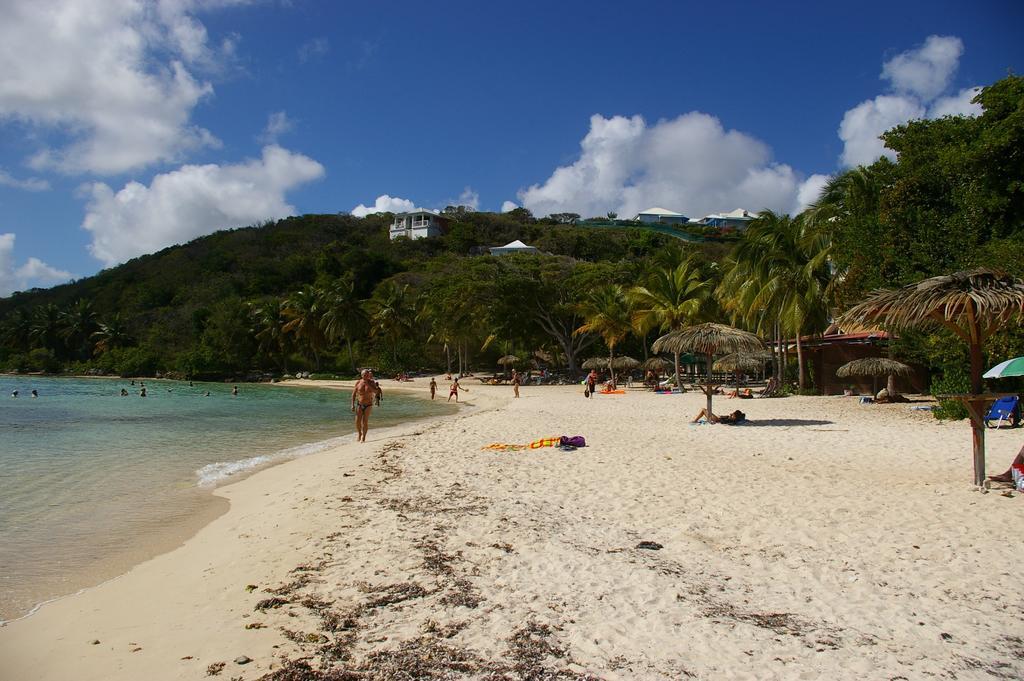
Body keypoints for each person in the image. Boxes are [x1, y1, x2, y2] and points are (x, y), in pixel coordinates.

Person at [352, 370, 376, 442]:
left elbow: (376, 391)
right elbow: (353, 394)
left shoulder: (372, 382)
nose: (366, 376)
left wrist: (368, 385)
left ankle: (364, 437)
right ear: (361, 375)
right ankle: (359, 434)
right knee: (357, 421)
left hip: (368, 404)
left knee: (365, 421)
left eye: (367, 375)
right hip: (359, 404)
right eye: (365, 375)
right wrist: (352, 404)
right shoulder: (358, 382)